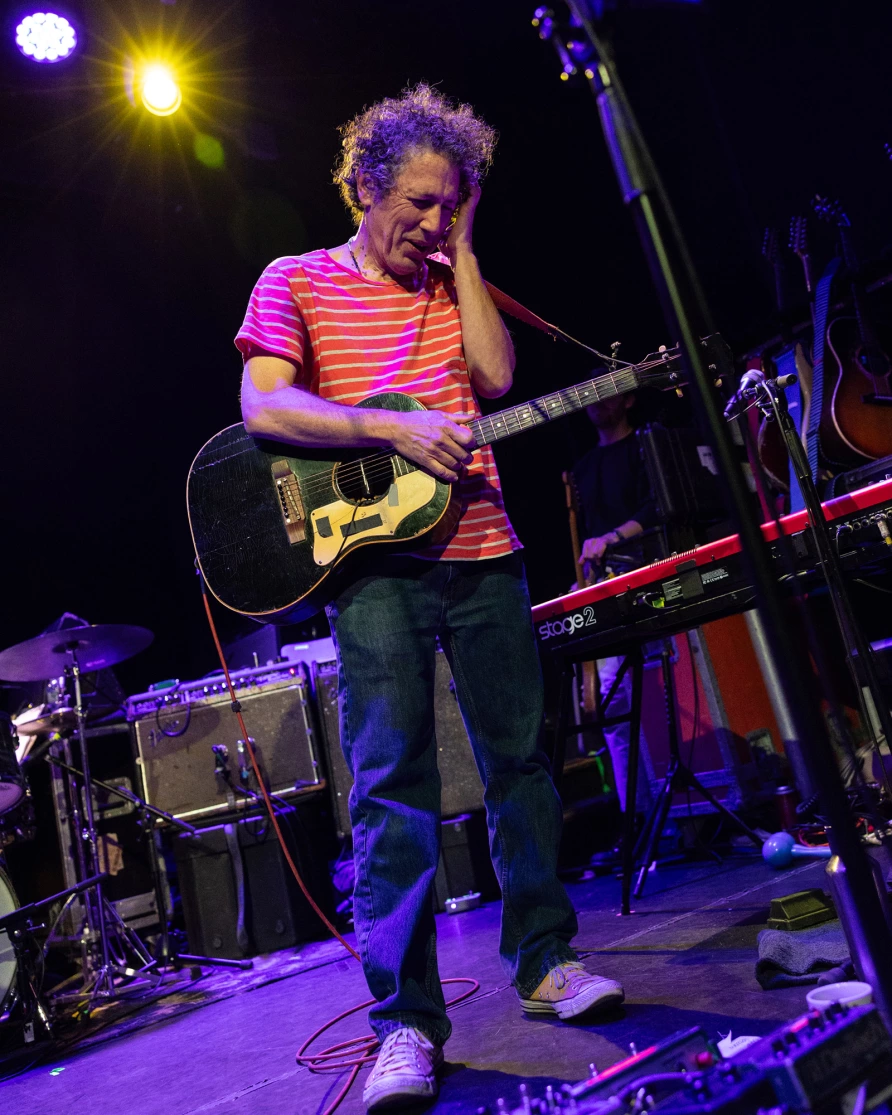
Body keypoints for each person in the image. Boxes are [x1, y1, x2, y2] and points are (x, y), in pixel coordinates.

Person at [235, 86, 624, 1111]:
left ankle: (546, 961)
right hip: (373, 568)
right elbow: (263, 403)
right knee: (391, 787)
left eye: (451, 203)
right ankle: (405, 1022)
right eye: (418, 202)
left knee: (521, 762)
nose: (433, 221)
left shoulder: (456, 277)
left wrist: (470, 254)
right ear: (364, 186)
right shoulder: (296, 279)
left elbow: (494, 377)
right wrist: (391, 427)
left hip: (487, 547)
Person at [573, 394, 660, 832]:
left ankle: (664, 813)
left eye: (605, 395)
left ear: (628, 398)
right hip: (605, 584)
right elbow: (586, 534)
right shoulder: (585, 466)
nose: (595, 404)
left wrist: (612, 537)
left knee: (651, 693)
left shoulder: (646, 446)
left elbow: (656, 507)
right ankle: (638, 820)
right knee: (610, 702)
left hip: (645, 573)